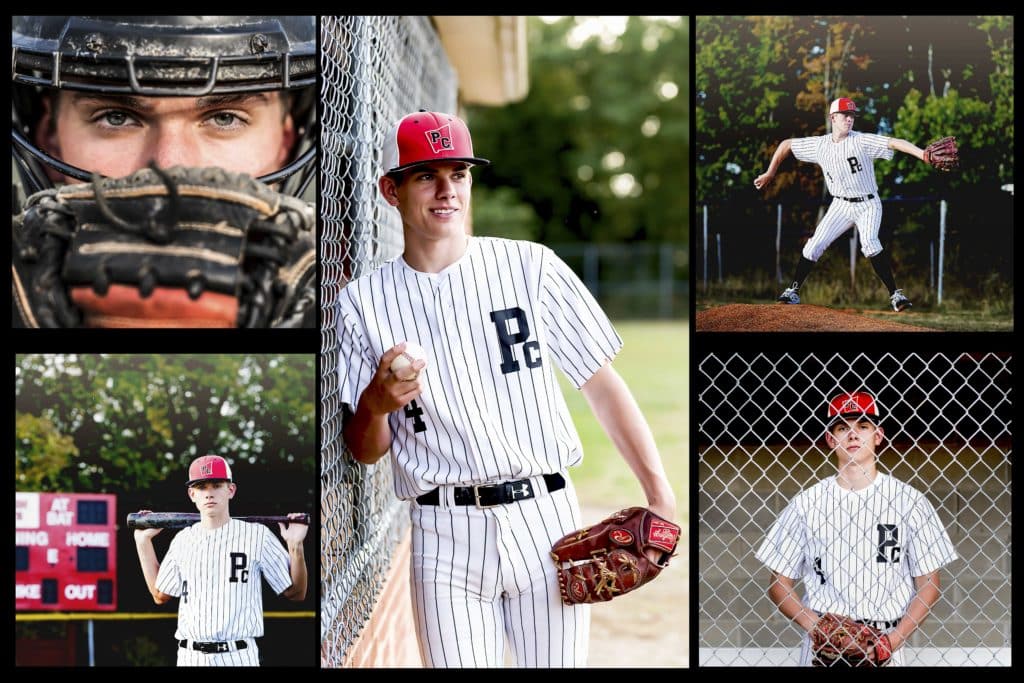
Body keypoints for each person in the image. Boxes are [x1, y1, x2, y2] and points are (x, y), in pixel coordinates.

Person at [337, 110, 677, 667]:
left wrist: (660, 494)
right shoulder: (364, 303)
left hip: (545, 517)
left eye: (460, 173)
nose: (448, 190)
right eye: (427, 175)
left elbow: (602, 384)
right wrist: (377, 403)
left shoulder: (530, 266)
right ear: (391, 190)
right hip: (442, 529)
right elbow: (365, 448)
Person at [11, 16, 317, 328]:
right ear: (49, 137)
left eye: (225, 118)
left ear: (285, 142)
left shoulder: (344, 296)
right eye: (116, 117)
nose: (170, 169)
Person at [755, 391, 957, 667]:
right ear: (830, 439)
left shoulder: (909, 501)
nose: (852, 435)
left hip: (885, 637)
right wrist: (820, 629)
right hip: (822, 643)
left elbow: (929, 585)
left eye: (862, 426)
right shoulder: (807, 503)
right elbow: (779, 584)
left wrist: (893, 640)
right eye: (842, 428)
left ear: (878, 435)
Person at [754, 97, 933, 312]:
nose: (850, 119)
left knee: (869, 243)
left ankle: (895, 295)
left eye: (852, 115)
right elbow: (786, 145)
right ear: (833, 118)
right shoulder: (820, 145)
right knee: (813, 245)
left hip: (868, 203)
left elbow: (894, 142)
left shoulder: (861, 141)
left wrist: (922, 154)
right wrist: (771, 172)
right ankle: (793, 291)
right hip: (840, 205)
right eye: (845, 115)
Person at [133, 455, 308, 667]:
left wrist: (296, 546)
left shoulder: (257, 536)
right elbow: (159, 595)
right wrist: (142, 543)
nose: (209, 493)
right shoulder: (182, 540)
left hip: (238, 654)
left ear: (231, 490)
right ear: (192, 494)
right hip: (191, 656)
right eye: (201, 487)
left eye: (216, 485)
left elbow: (296, 593)